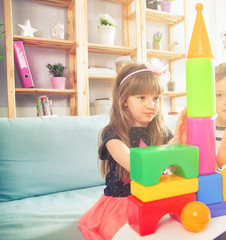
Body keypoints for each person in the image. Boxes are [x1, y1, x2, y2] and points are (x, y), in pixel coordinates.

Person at [78, 63, 185, 240]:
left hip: (155, 197)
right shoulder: (112, 134)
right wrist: (171, 148)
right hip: (123, 204)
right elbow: (135, 165)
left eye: (156, 98)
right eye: (141, 97)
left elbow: (175, 160)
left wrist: (180, 139)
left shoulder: (161, 130)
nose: (151, 105)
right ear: (124, 100)